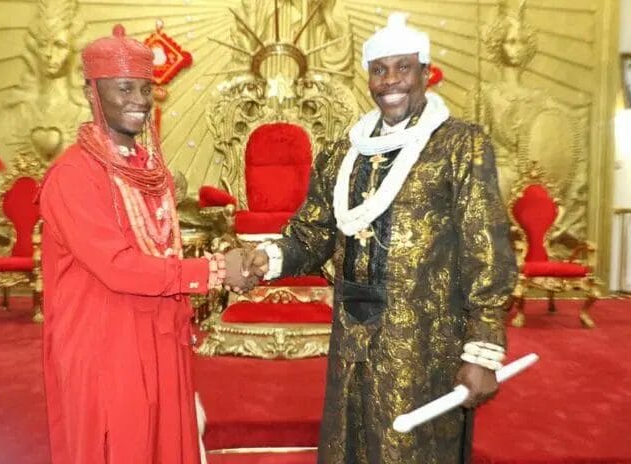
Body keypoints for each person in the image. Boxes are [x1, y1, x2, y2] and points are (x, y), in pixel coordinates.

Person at [242, 12, 517, 463]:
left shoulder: (460, 145)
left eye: (403, 67)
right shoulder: (342, 151)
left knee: (412, 449)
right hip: (352, 335)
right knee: (348, 445)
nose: (391, 80)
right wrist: (267, 258)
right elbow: (312, 233)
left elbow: (487, 248)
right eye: (379, 69)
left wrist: (483, 351)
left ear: (425, 73)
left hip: (428, 343)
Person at [39, 25, 249, 464]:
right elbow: (117, 266)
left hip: (159, 331)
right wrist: (212, 270)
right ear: (91, 92)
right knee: (122, 445)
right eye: (124, 89)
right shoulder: (73, 175)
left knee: (164, 443)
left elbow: (160, 248)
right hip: (104, 341)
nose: (138, 100)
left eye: (144, 88)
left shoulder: (153, 169)